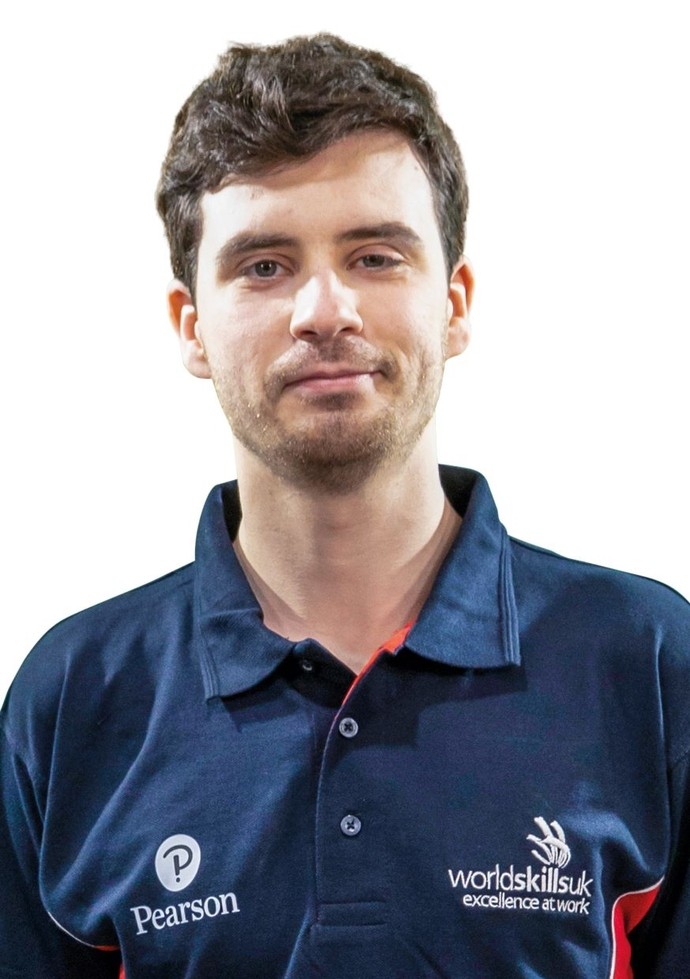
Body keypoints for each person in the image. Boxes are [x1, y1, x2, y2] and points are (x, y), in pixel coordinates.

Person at [1, 33, 688, 979]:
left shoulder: (649, 662)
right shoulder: (73, 698)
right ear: (190, 325)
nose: (324, 310)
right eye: (264, 266)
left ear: (455, 303)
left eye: (374, 255)